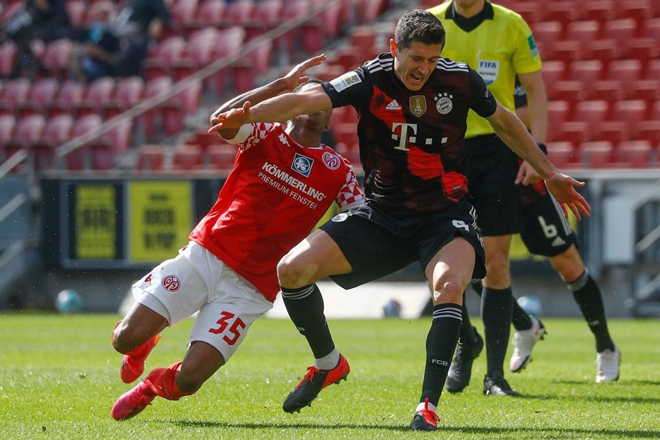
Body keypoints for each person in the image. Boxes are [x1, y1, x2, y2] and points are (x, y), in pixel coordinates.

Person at [209, 10, 590, 431]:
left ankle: (427, 406)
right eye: (416, 58)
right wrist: (250, 114)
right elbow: (305, 100)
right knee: (291, 270)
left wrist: (549, 172)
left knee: (449, 288)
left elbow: (502, 119)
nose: (424, 69)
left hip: (445, 218)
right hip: (382, 215)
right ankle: (328, 362)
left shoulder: (459, 80)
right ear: (395, 49)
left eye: (432, 59)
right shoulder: (370, 78)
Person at [109, 55, 366, 421]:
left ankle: (150, 387)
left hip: (250, 290)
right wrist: (280, 86)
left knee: (189, 380)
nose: (313, 106)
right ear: (290, 107)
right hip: (205, 257)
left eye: (322, 103)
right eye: (304, 99)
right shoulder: (264, 134)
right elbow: (221, 119)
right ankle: (141, 345)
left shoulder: (338, 170)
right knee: (124, 339)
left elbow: (361, 217)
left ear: (329, 119)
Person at [429, 0, 552, 397]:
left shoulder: (511, 24)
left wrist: (538, 150)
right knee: (440, 257)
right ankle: (467, 341)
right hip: (441, 151)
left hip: (497, 152)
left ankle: (495, 377)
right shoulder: (430, 23)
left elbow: (535, 89)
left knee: (496, 262)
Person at [467, 78, 620, 384]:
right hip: (485, 182)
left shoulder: (506, 68)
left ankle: (606, 347)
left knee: (568, 264)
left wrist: (533, 154)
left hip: (524, 180)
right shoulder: (453, 70)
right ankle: (525, 325)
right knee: (478, 267)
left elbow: (523, 113)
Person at [1, 0, 71, 78]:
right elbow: (21, 20)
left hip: (53, 34)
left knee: (36, 46)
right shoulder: (30, 3)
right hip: (34, 35)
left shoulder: (57, 3)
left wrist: (44, 8)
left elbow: (59, 22)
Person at [109, 0, 169, 78]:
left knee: (125, 56)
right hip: (122, 34)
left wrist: (158, 21)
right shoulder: (130, 2)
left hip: (140, 34)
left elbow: (163, 15)